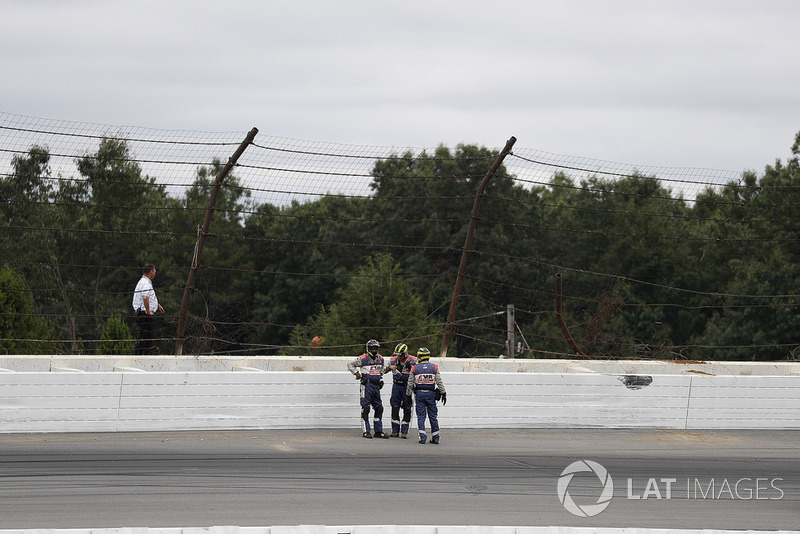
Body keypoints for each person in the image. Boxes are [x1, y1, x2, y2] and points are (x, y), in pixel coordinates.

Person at [347, 339, 390, 439]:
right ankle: (366, 431)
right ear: (368, 349)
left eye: (376, 348)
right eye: (372, 348)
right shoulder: (363, 358)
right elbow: (350, 364)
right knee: (366, 407)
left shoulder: (381, 359)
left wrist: (383, 374)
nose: (374, 350)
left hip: (376, 386)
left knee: (379, 408)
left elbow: (382, 370)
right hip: (366, 386)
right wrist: (356, 373)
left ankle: (378, 431)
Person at [406, 347, 447, 444]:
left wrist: (408, 395)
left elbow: (410, 383)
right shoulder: (434, 367)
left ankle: (422, 437)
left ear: (419, 357)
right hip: (431, 394)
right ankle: (435, 437)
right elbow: (439, 382)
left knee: (421, 416)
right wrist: (443, 393)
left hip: (419, 394)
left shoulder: (414, 368)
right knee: (433, 416)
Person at [385, 342, 417, 438]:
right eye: (397, 355)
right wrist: (389, 367)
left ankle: (404, 431)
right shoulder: (393, 360)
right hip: (396, 386)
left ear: (405, 353)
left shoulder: (413, 360)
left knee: (407, 408)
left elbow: (418, 372)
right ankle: (395, 431)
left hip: (407, 386)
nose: (399, 357)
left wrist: (411, 368)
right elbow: (383, 370)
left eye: (401, 355)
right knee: (395, 407)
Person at [132, 263, 164, 355]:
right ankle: (140, 357)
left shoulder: (143, 282)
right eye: (154, 270)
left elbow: (147, 297)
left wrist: (156, 305)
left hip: (143, 313)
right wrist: (148, 311)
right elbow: (145, 297)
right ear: (151, 271)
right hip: (144, 315)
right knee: (146, 339)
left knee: (145, 338)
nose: (155, 272)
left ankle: (140, 356)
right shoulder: (146, 283)